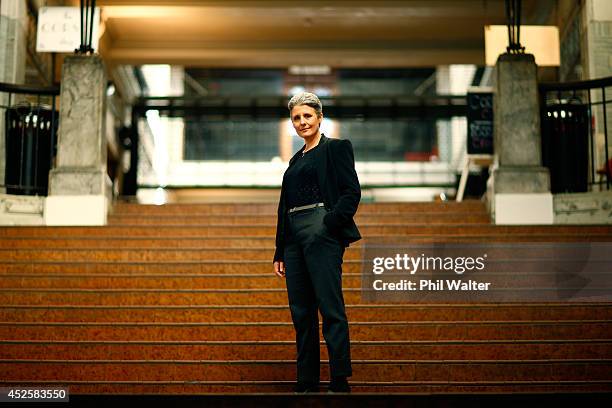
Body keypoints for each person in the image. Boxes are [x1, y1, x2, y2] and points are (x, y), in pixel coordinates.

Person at [272, 92, 362, 393]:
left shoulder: (336, 148)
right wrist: (279, 249)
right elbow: (284, 206)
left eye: (307, 116)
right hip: (294, 238)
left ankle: (339, 377)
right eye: (296, 118)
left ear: (319, 117)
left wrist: (330, 224)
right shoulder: (295, 160)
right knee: (301, 311)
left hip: (321, 230)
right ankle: (307, 378)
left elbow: (351, 192)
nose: (302, 122)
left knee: (330, 305)